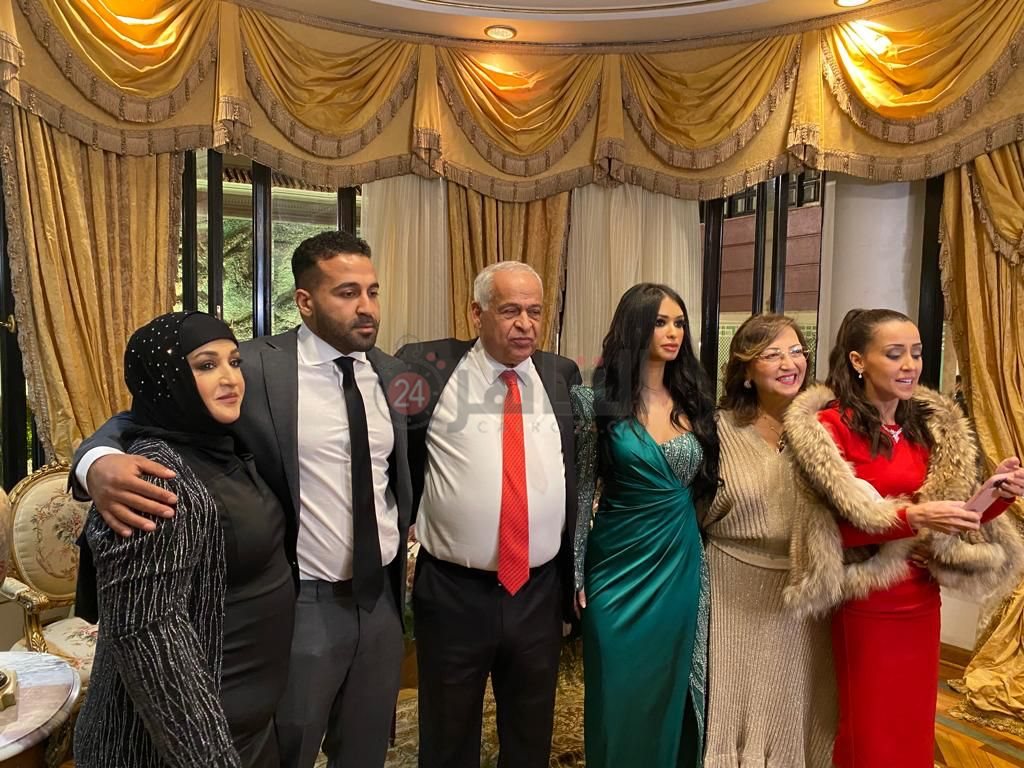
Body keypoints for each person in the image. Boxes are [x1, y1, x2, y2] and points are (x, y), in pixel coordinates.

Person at [72, 231, 412, 768]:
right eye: (347, 293)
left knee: (366, 748)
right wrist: (95, 461)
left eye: (372, 291)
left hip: (381, 602)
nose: (366, 307)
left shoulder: (395, 374)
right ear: (305, 301)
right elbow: (146, 412)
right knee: (289, 747)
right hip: (301, 603)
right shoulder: (251, 367)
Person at [784, 307, 1024, 768]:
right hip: (866, 601)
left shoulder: (927, 430)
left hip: (922, 597)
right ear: (858, 361)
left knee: (913, 728)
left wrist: (996, 494)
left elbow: (954, 519)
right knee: (869, 733)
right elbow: (831, 531)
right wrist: (911, 517)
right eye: (894, 354)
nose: (910, 364)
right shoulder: (829, 429)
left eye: (916, 352)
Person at [74, 311, 294, 768]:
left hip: (253, 718)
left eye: (234, 361)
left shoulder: (221, 439)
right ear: (167, 379)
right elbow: (148, 635)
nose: (231, 378)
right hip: (189, 741)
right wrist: (93, 460)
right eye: (206, 365)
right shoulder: (155, 480)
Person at [396, 261, 581, 768]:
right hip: (454, 592)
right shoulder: (430, 369)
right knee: (449, 732)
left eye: (535, 312)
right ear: (476, 313)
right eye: (510, 310)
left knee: (530, 730)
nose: (525, 324)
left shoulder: (559, 375)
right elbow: (399, 459)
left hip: (538, 591)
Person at [571, 282, 719, 768]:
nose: (673, 333)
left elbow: (708, 489)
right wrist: (576, 571)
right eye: (660, 322)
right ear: (635, 326)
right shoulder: (593, 401)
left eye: (679, 323)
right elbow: (582, 492)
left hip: (679, 563)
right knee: (616, 690)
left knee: (671, 686)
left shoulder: (695, 399)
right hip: (614, 566)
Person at [700, 313, 836, 767]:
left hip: (804, 593)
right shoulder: (715, 429)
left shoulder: (826, 428)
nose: (789, 363)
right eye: (772, 354)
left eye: (796, 351)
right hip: (730, 587)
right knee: (733, 700)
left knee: (800, 703)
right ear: (745, 370)